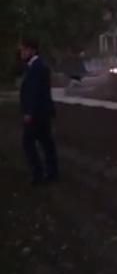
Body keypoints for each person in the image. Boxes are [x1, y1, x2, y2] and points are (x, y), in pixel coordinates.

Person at [18, 37, 59, 185]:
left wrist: (29, 112)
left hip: (37, 114)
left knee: (29, 143)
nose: (22, 53)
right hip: (41, 112)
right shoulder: (34, 66)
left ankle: (38, 174)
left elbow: (35, 92)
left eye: (24, 50)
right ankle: (51, 172)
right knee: (46, 142)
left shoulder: (37, 67)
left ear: (32, 50)